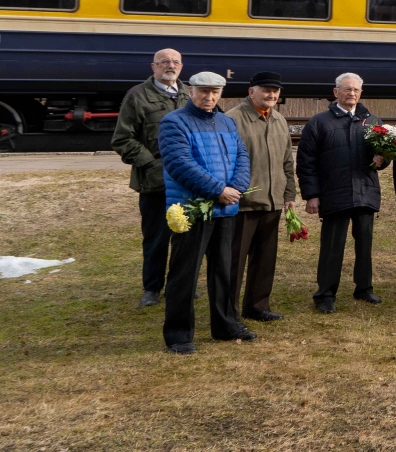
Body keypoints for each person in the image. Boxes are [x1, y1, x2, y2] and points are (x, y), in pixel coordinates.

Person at [157, 72, 253, 353]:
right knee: (184, 273)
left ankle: (225, 325)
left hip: (225, 208)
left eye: (215, 92)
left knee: (224, 270)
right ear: (190, 91)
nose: (209, 97)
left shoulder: (226, 122)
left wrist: (236, 187)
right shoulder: (174, 122)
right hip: (192, 211)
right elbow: (180, 164)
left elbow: (242, 157)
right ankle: (178, 334)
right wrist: (218, 190)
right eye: (203, 92)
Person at [297, 72, 387, 313]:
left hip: (365, 192)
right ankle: (325, 295)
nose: (352, 93)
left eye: (356, 90)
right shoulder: (319, 122)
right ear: (336, 92)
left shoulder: (373, 120)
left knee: (365, 245)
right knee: (332, 247)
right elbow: (306, 162)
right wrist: (311, 195)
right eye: (347, 89)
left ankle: (364, 289)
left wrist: (383, 159)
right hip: (334, 193)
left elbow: (384, 154)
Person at [111, 48, 188, 307]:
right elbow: (123, 139)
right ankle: (152, 288)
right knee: (157, 238)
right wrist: (153, 166)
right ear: (153, 66)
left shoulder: (190, 94)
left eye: (176, 62)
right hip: (156, 182)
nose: (171, 65)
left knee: (186, 236)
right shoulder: (137, 96)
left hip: (189, 181)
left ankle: (180, 284)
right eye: (165, 61)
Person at [226, 72, 297, 323]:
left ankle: (257, 306)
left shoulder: (278, 119)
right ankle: (229, 312)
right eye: (266, 90)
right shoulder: (232, 119)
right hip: (242, 205)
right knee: (234, 262)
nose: (272, 94)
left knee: (265, 259)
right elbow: (225, 162)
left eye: (275, 91)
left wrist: (289, 195)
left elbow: (287, 161)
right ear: (251, 91)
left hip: (273, 201)